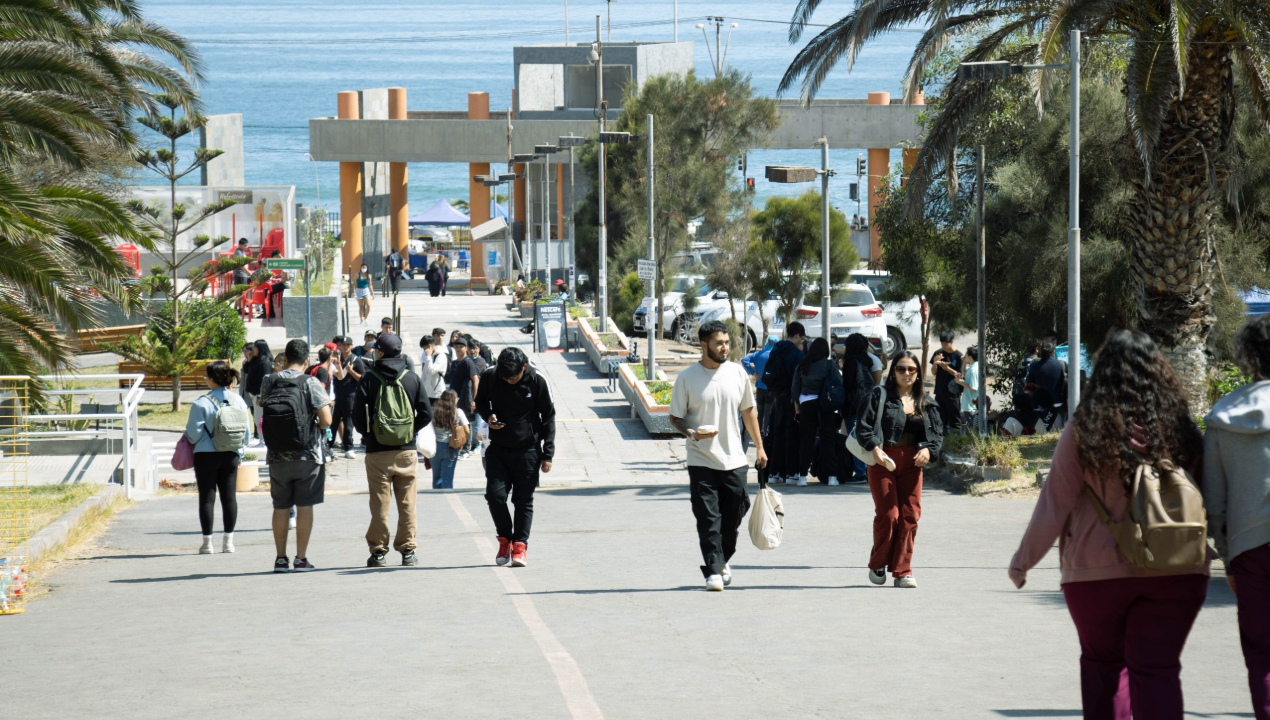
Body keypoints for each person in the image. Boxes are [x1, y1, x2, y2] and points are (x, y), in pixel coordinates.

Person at [1008, 329, 1208, 718]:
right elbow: (1210, 496)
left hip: (1096, 577)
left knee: (1104, 670)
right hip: (1178, 568)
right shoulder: (1182, 428)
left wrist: (1023, 562)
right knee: (1159, 671)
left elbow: (1055, 503)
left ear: (1104, 371)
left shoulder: (1085, 428)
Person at [1203, 315, 1270, 720]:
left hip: (1249, 549)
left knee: (1261, 651)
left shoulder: (1223, 416)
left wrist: (1228, 556)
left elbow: (1215, 503)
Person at [669, 320, 767, 591]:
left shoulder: (737, 374)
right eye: (719, 343)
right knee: (708, 518)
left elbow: (748, 411)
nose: (725, 348)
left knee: (734, 515)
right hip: (701, 459)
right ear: (704, 345)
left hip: (734, 458)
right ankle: (713, 570)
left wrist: (759, 446)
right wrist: (691, 433)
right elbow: (675, 418)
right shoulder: (687, 378)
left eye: (726, 343)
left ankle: (721, 558)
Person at [856, 351, 943, 588]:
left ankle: (903, 570)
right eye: (901, 369)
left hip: (913, 463)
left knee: (910, 515)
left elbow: (936, 435)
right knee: (889, 515)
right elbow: (863, 426)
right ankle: (878, 563)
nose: (906, 373)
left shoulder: (926, 402)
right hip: (883, 460)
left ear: (918, 373)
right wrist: (874, 449)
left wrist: (929, 451)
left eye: (911, 369)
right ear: (893, 372)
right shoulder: (879, 395)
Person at [352, 332, 433, 568]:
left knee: (379, 504)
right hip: (406, 452)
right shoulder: (412, 378)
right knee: (407, 504)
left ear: (380, 352)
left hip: (377, 452)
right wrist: (409, 432)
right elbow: (426, 413)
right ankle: (408, 551)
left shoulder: (369, 378)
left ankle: (378, 552)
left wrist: (370, 435)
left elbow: (357, 416)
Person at [475, 347, 555, 567]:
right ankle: (504, 539)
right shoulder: (491, 375)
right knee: (495, 496)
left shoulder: (538, 381)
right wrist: (488, 415)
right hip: (498, 449)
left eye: (515, 377)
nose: (510, 381)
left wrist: (548, 454)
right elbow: (480, 402)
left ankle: (520, 546)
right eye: (506, 378)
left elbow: (548, 417)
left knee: (523, 500)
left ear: (524, 367)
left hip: (528, 450)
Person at [258, 340, 334, 573]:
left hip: (277, 455)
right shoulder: (310, 382)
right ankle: (301, 559)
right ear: (306, 360)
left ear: (285, 357)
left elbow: (263, 408)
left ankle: (280, 559)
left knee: (280, 507)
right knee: (304, 506)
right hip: (307, 455)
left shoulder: (269, 381)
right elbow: (327, 420)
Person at [184, 361, 251, 554]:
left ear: (212, 379)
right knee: (229, 498)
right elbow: (245, 433)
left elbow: (193, 434)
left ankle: (207, 543)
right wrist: (240, 453)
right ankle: (228, 542)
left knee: (207, 498)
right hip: (231, 454)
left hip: (205, 454)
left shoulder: (201, 403)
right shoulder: (238, 401)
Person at [791, 337, 843, 486]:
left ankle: (802, 477)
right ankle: (832, 476)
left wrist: (797, 407)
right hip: (825, 405)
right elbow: (838, 384)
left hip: (806, 404)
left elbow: (795, 387)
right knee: (828, 439)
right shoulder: (829, 365)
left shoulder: (803, 364)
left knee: (806, 441)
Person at [761, 322, 806, 485]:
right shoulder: (796, 354)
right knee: (792, 436)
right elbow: (799, 380)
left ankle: (774, 473)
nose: (802, 342)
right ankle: (791, 472)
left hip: (777, 400)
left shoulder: (776, 349)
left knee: (777, 436)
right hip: (792, 401)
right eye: (801, 338)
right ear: (796, 336)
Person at [840, 333, 881, 483]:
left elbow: (848, 385)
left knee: (855, 438)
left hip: (853, 405)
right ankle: (867, 469)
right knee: (866, 436)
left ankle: (860, 472)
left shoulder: (851, 362)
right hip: (868, 403)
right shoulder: (869, 360)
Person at [331, 335, 366, 459]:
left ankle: (348, 447)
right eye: (343, 345)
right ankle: (329, 445)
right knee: (333, 421)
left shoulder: (356, 360)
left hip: (350, 394)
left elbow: (362, 378)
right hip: (337, 394)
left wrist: (351, 371)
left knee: (348, 422)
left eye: (347, 345)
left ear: (351, 346)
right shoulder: (336, 359)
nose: (345, 347)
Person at [430, 389, 468, 489]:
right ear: (453, 399)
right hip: (451, 446)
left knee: (436, 476)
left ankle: (437, 499)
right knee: (447, 478)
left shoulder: (433, 410)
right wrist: (461, 442)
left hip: (434, 446)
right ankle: (446, 498)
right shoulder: (458, 412)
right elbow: (467, 430)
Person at [929, 331, 963, 434]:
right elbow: (934, 372)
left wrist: (947, 368)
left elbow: (960, 375)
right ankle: (942, 438)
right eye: (942, 343)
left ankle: (956, 439)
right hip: (940, 390)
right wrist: (935, 363)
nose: (943, 346)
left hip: (953, 392)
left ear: (951, 342)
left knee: (954, 419)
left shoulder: (958, 356)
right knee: (940, 418)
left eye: (945, 343)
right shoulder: (938, 353)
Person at [1026, 340, 1068, 421]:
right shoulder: (1062, 364)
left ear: (1040, 352)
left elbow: (1029, 386)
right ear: (1053, 352)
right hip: (1059, 405)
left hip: (1041, 408)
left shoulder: (1033, 366)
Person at [741, 339, 774, 437]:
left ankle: (758, 432)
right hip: (770, 388)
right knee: (768, 411)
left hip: (760, 387)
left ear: (767, 343)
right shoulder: (775, 356)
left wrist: (753, 372)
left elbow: (744, 360)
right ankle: (766, 433)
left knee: (760, 411)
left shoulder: (758, 354)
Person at [244, 339, 273, 445]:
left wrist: (261, 394)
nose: (253, 350)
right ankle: (262, 439)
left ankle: (263, 440)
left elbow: (264, 379)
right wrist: (249, 359)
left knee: (259, 418)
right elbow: (246, 370)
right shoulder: (255, 360)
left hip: (259, 395)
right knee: (257, 418)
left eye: (255, 348)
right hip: (253, 394)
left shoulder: (264, 361)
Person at [445, 337, 479, 419]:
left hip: (464, 400)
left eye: (461, 347)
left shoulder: (468, 363)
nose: (458, 349)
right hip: (453, 400)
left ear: (466, 348)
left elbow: (475, 381)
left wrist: (474, 400)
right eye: (456, 347)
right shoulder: (454, 363)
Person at [956, 347, 982, 429]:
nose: (964, 356)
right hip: (972, 405)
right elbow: (963, 374)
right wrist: (964, 362)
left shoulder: (973, 370)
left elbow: (973, 388)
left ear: (970, 357)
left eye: (966, 354)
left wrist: (960, 382)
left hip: (971, 405)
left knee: (973, 429)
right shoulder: (974, 366)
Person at [1012, 340, 1040, 409]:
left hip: (1022, 391)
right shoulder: (1038, 361)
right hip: (1032, 394)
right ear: (1036, 349)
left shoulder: (1022, 361)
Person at [419, 336, 448, 404]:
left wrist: (428, 357)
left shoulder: (441, 356)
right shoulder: (429, 356)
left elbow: (431, 371)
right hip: (427, 392)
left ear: (430, 346)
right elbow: (424, 373)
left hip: (436, 393)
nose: (424, 351)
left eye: (425, 349)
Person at [265, 250, 288, 320]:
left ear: (276, 257)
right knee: (269, 289)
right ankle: (270, 313)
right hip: (285, 283)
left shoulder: (284, 263)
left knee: (267, 290)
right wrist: (279, 276)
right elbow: (286, 275)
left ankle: (270, 314)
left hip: (285, 284)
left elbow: (286, 278)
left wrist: (278, 282)